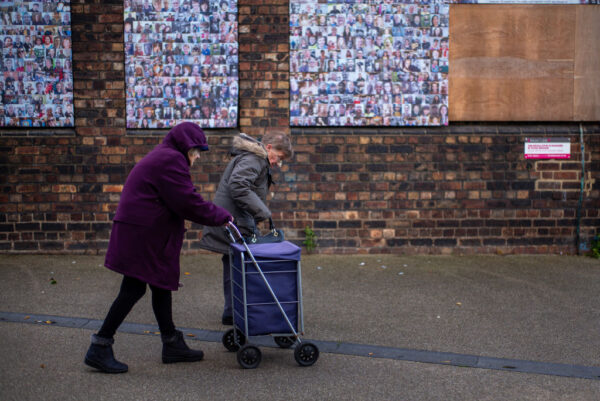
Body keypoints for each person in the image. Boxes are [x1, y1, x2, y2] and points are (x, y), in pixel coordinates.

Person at [84, 122, 233, 374]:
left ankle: (171, 342)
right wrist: (223, 216)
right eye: (196, 151)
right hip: (142, 234)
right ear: (186, 146)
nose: (196, 157)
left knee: (160, 284)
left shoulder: (165, 155)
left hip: (144, 232)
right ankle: (100, 345)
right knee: (132, 288)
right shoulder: (171, 160)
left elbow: (179, 197)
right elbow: (187, 202)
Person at [198, 131, 293, 325]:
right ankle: (242, 311)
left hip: (233, 220)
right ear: (268, 148)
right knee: (244, 264)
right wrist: (263, 212)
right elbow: (239, 186)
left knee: (233, 262)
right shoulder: (255, 159)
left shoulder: (252, 157)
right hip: (237, 221)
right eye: (278, 158)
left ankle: (233, 311)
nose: (277, 163)